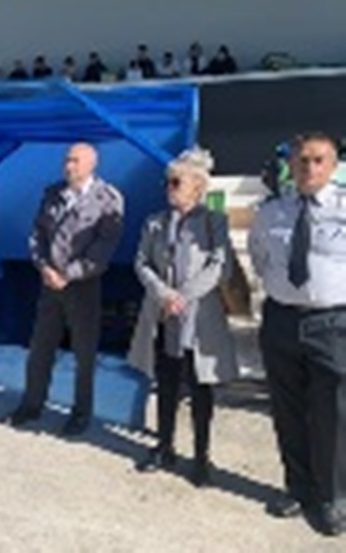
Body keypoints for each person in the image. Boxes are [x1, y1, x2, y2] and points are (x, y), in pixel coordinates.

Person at [248, 132, 346, 536]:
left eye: (319, 160)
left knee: (333, 413)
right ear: (291, 164)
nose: (309, 168)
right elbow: (259, 258)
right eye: (302, 160)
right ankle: (298, 487)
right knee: (287, 409)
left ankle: (333, 495)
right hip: (281, 321)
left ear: (334, 166)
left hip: (333, 324)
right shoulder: (271, 212)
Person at [128, 148, 238, 487]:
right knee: (166, 383)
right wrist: (164, 294)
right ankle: (164, 446)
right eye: (168, 182)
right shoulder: (155, 222)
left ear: (197, 187)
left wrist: (183, 295)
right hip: (164, 315)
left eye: (177, 182)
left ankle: (201, 457)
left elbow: (220, 266)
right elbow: (142, 263)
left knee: (200, 388)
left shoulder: (213, 221)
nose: (169, 188)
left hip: (199, 319)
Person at [0, 143, 124, 436]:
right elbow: (37, 235)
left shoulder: (108, 199)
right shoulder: (53, 193)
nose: (69, 165)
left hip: (83, 286)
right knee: (40, 349)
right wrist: (44, 267)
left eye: (75, 161)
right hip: (50, 284)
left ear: (92, 164)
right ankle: (31, 405)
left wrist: (68, 275)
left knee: (84, 354)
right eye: (67, 160)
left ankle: (80, 414)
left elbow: (103, 248)